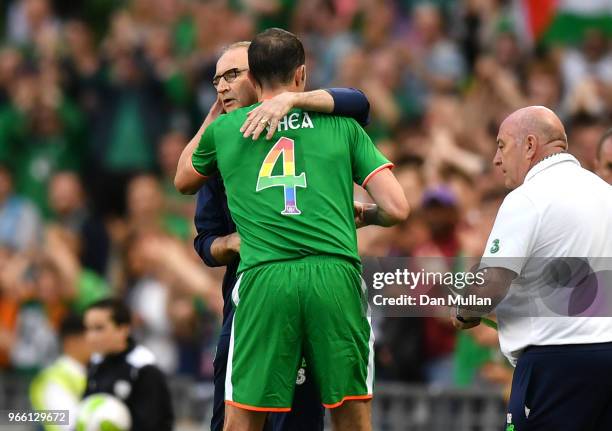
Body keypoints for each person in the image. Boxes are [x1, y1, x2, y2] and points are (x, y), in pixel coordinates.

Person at [176, 28, 409, 431]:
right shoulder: (344, 126)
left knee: (239, 422)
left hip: (265, 278)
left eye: (231, 76)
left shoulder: (225, 133)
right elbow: (397, 208)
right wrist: (364, 215)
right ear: (300, 75)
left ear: (254, 76)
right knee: (351, 417)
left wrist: (216, 117)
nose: (223, 87)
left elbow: (182, 180)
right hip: (335, 276)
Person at [453, 106, 612, 431]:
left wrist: (464, 310)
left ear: (529, 145)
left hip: (554, 366)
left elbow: (491, 284)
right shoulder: (605, 193)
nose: (496, 159)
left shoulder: (526, 198)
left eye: (501, 146)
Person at [82, 298, 174, 431]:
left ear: (123, 329)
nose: (91, 337)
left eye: (99, 328)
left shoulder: (143, 367)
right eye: (87, 329)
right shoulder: (96, 364)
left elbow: (154, 424)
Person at [30, 313, 91, 431]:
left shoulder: (93, 371)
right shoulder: (53, 379)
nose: (96, 342)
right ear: (72, 341)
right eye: (90, 337)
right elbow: (71, 424)